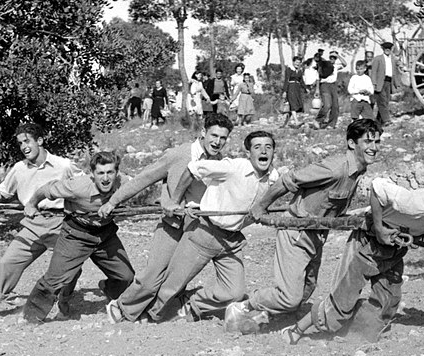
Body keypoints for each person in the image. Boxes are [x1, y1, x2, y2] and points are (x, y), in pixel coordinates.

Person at [279, 176, 424, 344]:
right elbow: (377, 187)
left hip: (393, 248)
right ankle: (297, 329)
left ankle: (357, 334)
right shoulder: (422, 204)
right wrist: (379, 227)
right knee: (343, 299)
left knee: (388, 301)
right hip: (369, 242)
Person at [226, 119, 382, 323]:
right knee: (290, 298)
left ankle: (267, 315)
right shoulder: (335, 168)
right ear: (352, 143)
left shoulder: (358, 169)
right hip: (296, 233)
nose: (374, 148)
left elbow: (332, 206)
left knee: (306, 288)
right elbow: (288, 180)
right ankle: (243, 307)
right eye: (368, 142)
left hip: (317, 234)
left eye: (377, 142)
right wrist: (261, 206)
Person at [102, 113, 233, 324]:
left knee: (177, 275)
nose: (217, 142)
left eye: (223, 138)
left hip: (195, 228)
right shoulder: (179, 155)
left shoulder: (219, 162)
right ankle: (122, 307)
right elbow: (143, 178)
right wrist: (113, 201)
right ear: (203, 133)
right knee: (153, 274)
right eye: (214, 135)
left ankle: (156, 311)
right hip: (171, 225)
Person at [143, 130, 280, 323]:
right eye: (257, 147)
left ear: (274, 151)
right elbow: (193, 168)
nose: (263, 151)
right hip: (205, 231)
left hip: (231, 239)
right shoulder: (234, 167)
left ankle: (191, 304)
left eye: (268, 147)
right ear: (248, 153)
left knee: (234, 292)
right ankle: (150, 316)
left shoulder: (274, 177)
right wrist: (175, 200)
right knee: (172, 284)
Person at [0, 123, 83, 320]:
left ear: (39, 141)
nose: (23, 146)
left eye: (27, 141)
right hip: (32, 223)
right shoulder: (19, 168)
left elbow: (84, 185)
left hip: (60, 223)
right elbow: (3, 192)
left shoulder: (63, 165)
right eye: (20, 143)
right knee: (7, 262)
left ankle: (64, 301)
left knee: (69, 265)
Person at [20, 152, 135, 323]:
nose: (105, 178)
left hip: (105, 234)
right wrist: (31, 204)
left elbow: (145, 185)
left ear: (117, 173)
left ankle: (108, 289)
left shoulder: (124, 183)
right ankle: (31, 317)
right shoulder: (78, 186)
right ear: (92, 174)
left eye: (110, 172)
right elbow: (47, 189)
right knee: (54, 280)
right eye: (100, 173)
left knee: (126, 277)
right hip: (75, 234)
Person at [370, 42, 401, 127]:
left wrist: (396, 83)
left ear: (391, 50)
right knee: (382, 102)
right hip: (380, 83)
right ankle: (386, 120)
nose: (387, 51)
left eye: (389, 49)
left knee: (386, 102)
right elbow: (373, 72)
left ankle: (378, 121)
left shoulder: (392, 60)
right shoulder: (377, 59)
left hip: (389, 82)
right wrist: (373, 83)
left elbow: (394, 72)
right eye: (386, 49)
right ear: (383, 49)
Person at [316, 51, 347, 129]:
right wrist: (317, 89)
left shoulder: (336, 66)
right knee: (327, 105)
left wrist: (338, 55)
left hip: (333, 86)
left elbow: (345, 64)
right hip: (324, 85)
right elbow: (318, 78)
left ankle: (331, 124)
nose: (332, 59)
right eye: (331, 57)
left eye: (334, 58)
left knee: (335, 106)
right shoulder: (325, 65)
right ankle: (318, 120)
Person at [282, 56, 306, 127]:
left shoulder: (300, 71)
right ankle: (296, 122)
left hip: (297, 89)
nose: (297, 64)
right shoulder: (289, 69)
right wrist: (285, 91)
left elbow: (301, 81)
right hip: (291, 88)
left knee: (294, 105)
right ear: (293, 62)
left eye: (299, 62)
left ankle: (285, 124)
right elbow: (286, 80)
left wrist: (305, 88)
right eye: (296, 62)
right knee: (293, 104)